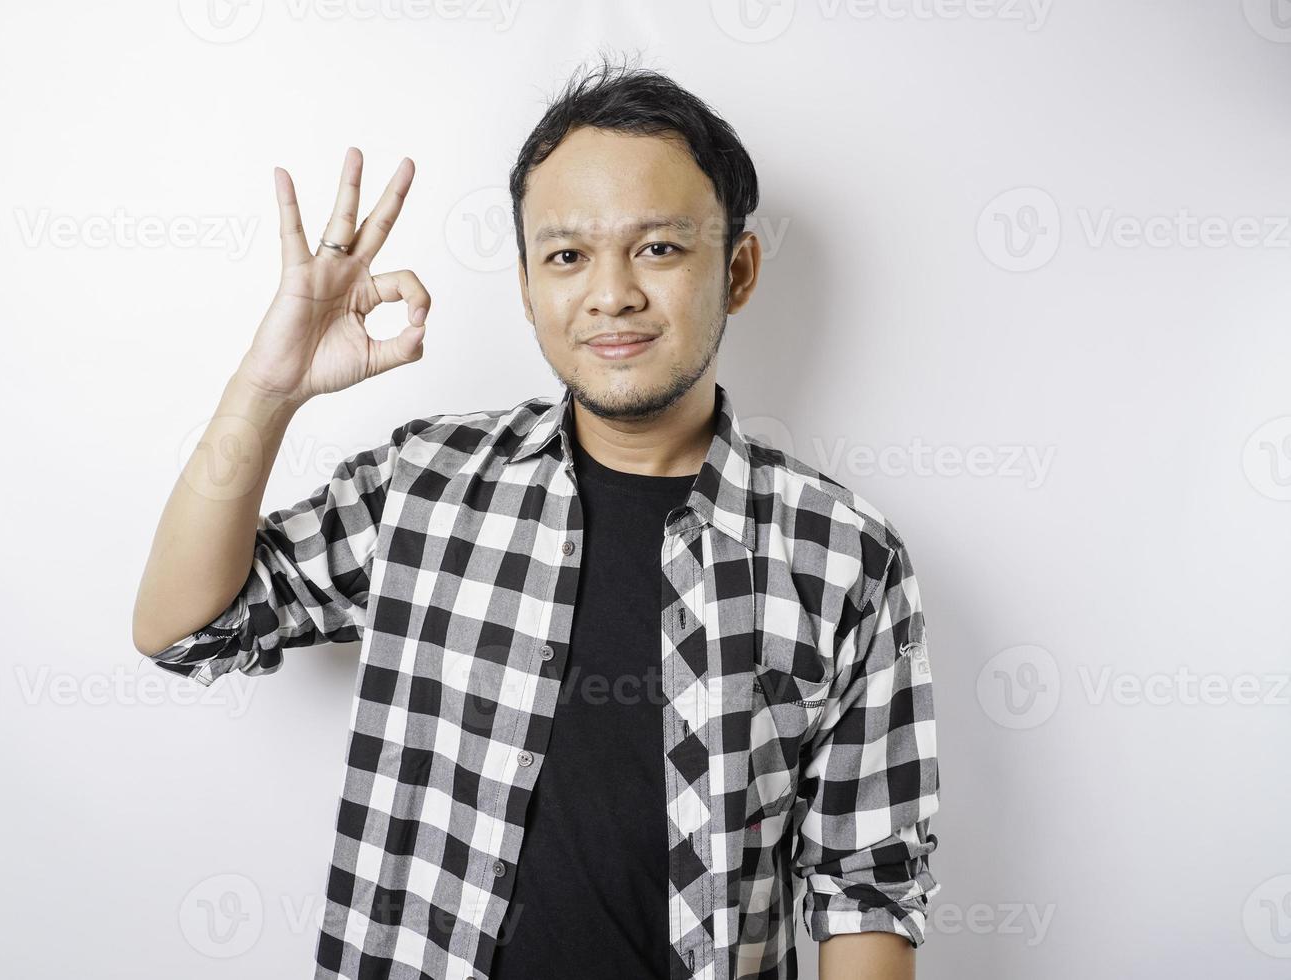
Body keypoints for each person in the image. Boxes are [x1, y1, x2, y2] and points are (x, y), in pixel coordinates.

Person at [133, 56, 940, 980]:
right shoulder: (426, 485)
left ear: (740, 269)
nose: (611, 294)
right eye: (567, 255)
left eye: (660, 248)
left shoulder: (844, 558)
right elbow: (184, 629)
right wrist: (267, 387)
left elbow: (864, 888)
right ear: (525, 286)